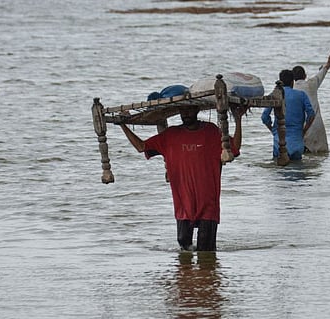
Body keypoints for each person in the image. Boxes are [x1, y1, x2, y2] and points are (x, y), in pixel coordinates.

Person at [118, 104, 246, 251]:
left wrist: (238, 120)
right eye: (183, 111)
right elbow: (141, 147)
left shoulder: (211, 132)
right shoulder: (170, 135)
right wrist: (123, 125)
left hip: (207, 200)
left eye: (190, 110)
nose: (186, 114)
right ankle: (188, 273)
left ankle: (207, 273)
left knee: (206, 248)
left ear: (197, 110)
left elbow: (234, 147)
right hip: (183, 200)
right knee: (183, 243)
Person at [261, 69, 315, 160]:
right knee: (297, 170)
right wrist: (304, 131)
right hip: (297, 142)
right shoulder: (301, 95)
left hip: (279, 142)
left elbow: (264, 117)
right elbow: (311, 115)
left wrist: (274, 131)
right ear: (292, 82)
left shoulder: (275, 95)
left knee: (280, 169)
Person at [292, 53, 330, 154]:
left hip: (303, 127)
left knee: (306, 156)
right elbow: (321, 74)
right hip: (317, 125)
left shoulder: (293, 89)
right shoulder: (311, 84)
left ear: (293, 79)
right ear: (305, 76)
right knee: (320, 155)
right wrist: (328, 64)